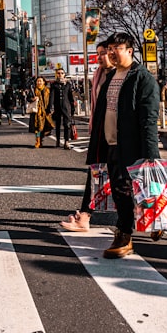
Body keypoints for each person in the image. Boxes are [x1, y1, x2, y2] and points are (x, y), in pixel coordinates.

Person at [86, 32, 161, 258]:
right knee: (120, 190)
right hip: (111, 143)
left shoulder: (142, 78)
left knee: (139, 189)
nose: (111, 53)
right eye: (109, 49)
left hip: (132, 144)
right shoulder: (110, 77)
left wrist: (151, 154)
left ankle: (147, 222)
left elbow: (149, 119)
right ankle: (125, 233)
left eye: (116, 48)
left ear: (129, 50)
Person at [62, 39, 113, 232]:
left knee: (125, 179)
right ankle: (84, 217)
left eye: (104, 52)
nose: (100, 57)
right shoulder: (99, 74)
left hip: (117, 134)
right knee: (95, 174)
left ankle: (150, 215)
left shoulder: (120, 75)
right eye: (98, 53)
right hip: (101, 132)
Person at [49, 69, 76, 149]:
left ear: (64, 74)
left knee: (66, 125)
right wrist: (50, 106)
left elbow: (70, 97)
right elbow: (52, 97)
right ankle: (57, 140)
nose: (60, 74)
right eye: (58, 73)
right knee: (57, 124)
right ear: (56, 74)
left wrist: (72, 108)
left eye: (62, 73)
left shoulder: (68, 84)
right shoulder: (54, 85)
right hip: (57, 107)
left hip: (66, 107)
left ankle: (66, 142)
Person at [31, 77, 53, 148]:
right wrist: (33, 99)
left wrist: (50, 109)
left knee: (45, 127)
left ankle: (41, 139)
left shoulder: (47, 90)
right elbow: (28, 98)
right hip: (37, 112)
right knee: (37, 128)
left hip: (46, 111)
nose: (39, 83)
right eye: (37, 81)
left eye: (40, 81)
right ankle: (38, 141)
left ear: (44, 82)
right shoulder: (34, 90)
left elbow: (51, 100)